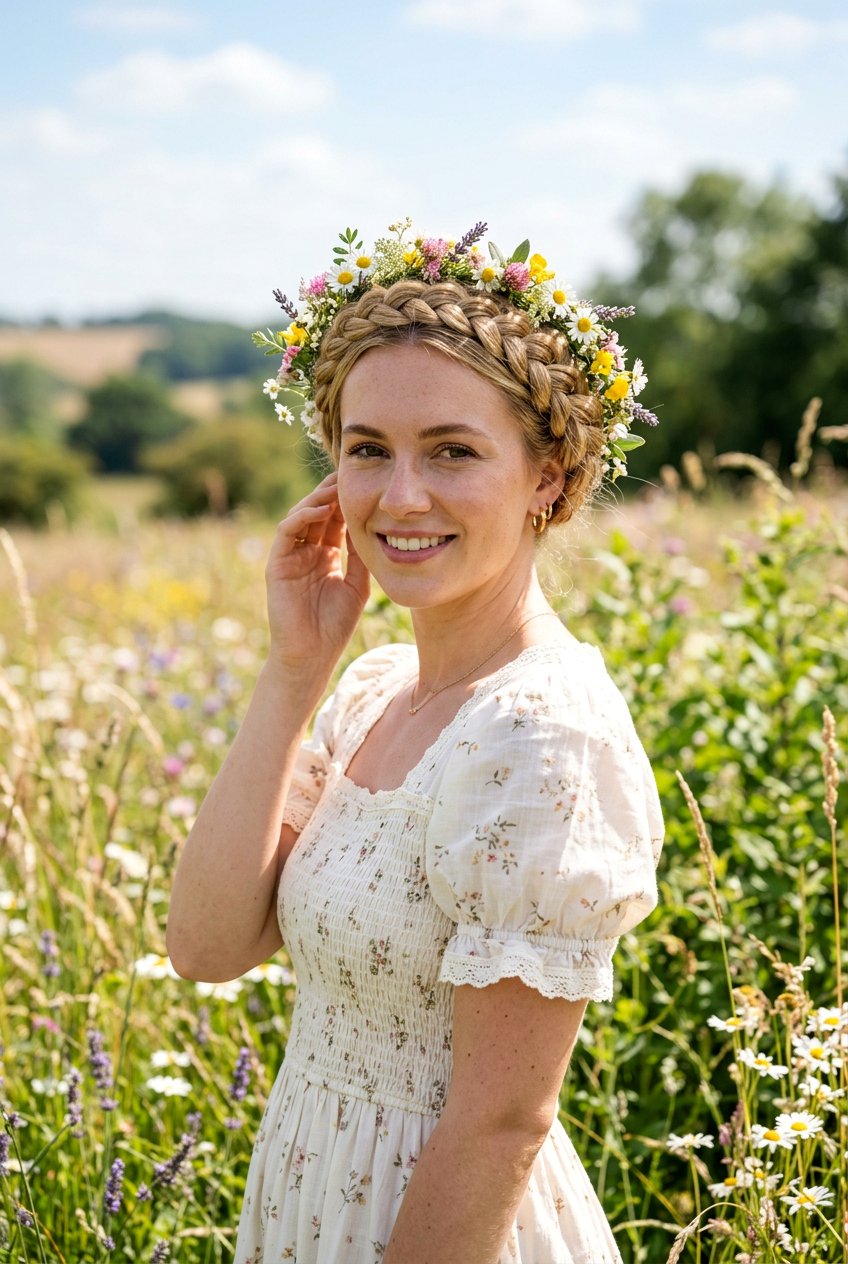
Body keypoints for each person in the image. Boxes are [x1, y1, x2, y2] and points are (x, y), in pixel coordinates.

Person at [166, 220, 664, 1264]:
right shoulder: (376, 686)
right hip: (312, 1197)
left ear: (547, 476)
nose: (399, 498)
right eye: (366, 451)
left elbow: (501, 1123)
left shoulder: (540, 732)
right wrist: (292, 672)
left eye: (451, 450)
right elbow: (207, 947)